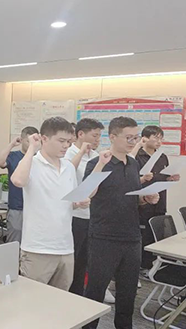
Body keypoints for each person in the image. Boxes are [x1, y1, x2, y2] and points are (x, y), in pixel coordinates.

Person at [83, 117, 160, 329]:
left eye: (135, 137)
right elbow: (88, 193)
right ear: (113, 137)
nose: (133, 142)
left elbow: (132, 197)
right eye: (128, 138)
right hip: (104, 238)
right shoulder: (96, 163)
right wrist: (101, 164)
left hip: (132, 237)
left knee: (127, 294)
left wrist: (146, 198)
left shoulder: (133, 163)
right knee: (95, 292)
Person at [11, 117, 90, 291]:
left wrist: (78, 203)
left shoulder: (68, 167)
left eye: (68, 141)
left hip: (65, 246)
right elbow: (17, 181)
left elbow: (68, 203)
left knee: (60, 300)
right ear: (44, 138)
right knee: (32, 299)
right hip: (38, 247)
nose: (66, 146)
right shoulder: (31, 162)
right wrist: (31, 148)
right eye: (61, 141)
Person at [63, 118, 106, 297]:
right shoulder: (68, 153)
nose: (98, 140)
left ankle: (78, 295)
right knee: (73, 260)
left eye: (99, 136)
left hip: (91, 214)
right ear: (80, 134)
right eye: (94, 135)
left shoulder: (96, 156)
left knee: (85, 261)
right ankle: (67, 295)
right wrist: (81, 152)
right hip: (74, 215)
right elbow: (66, 173)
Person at [132, 125, 180, 271]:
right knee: (144, 235)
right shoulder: (137, 156)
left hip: (160, 201)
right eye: (156, 138)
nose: (159, 142)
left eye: (161, 138)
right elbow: (130, 180)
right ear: (145, 138)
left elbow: (163, 177)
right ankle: (141, 267)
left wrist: (171, 178)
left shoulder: (162, 156)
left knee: (156, 235)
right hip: (143, 203)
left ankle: (152, 266)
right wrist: (143, 179)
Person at [0, 126, 39, 244]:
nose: (31, 145)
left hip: (35, 207)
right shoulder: (14, 156)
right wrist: (12, 144)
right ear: (22, 140)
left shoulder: (39, 158)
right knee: (15, 241)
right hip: (17, 207)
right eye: (28, 141)